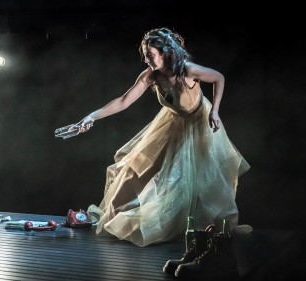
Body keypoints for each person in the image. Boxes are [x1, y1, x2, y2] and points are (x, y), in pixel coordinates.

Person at [70, 27, 250, 247]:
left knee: (195, 179)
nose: (146, 60)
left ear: (165, 53)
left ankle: (203, 228)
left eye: (151, 55)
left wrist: (215, 111)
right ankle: (133, 217)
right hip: (172, 123)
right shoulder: (150, 76)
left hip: (198, 124)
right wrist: (91, 117)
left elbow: (219, 78)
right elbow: (124, 100)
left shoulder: (188, 70)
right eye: (145, 55)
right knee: (134, 169)